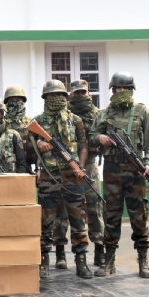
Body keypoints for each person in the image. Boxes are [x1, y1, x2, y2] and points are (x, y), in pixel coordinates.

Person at [89, 72, 149, 279]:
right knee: (111, 215)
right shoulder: (104, 113)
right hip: (112, 170)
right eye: (117, 88)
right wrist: (100, 137)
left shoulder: (141, 111)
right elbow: (91, 137)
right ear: (112, 90)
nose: (120, 91)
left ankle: (143, 260)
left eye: (124, 88)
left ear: (131, 90)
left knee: (139, 216)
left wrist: (147, 163)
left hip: (135, 171)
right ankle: (109, 261)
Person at [32, 80, 92, 279]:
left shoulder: (75, 120)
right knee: (46, 221)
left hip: (72, 177)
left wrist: (80, 168)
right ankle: (43, 261)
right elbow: (26, 149)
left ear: (66, 98)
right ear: (45, 98)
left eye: (59, 95)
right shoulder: (38, 122)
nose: (55, 99)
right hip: (49, 177)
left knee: (77, 219)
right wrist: (39, 143)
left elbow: (84, 147)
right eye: (51, 95)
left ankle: (81, 261)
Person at [52, 80, 105, 269]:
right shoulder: (63, 115)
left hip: (89, 165)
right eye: (76, 93)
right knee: (63, 209)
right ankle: (60, 251)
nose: (80, 96)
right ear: (70, 95)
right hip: (67, 167)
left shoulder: (99, 114)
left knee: (94, 207)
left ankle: (99, 249)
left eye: (83, 93)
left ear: (88, 93)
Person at [4, 85, 36, 173]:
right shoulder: (2, 123)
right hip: (6, 167)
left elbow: (38, 148)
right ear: (6, 103)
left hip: (26, 166)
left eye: (18, 100)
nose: (15, 103)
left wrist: (38, 168)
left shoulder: (31, 122)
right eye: (11, 101)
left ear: (23, 102)